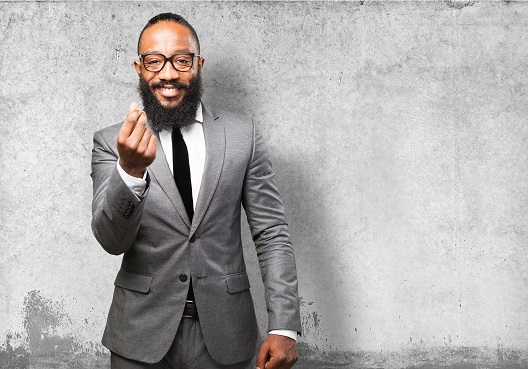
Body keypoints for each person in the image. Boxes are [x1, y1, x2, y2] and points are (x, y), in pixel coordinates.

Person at [90, 12, 301, 369]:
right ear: (139, 68)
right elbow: (112, 241)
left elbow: (271, 233)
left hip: (226, 334)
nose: (168, 74)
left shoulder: (242, 135)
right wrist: (130, 171)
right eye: (154, 61)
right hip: (140, 335)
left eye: (181, 60)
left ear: (198, 64)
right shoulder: (112, 142)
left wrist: (285, 325)